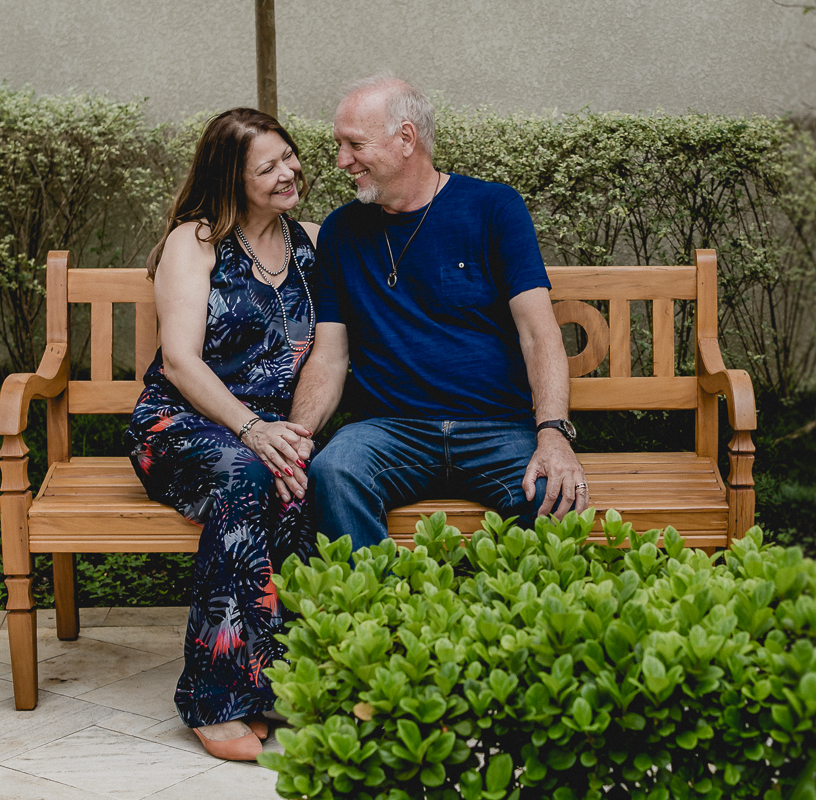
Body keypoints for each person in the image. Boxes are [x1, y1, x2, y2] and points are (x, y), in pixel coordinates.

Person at [277, 74, 587, 547]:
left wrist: (553, 434)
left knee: (551, 491)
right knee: (334, 470)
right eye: (338, 145)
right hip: (388, 432)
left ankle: (509, 618)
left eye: (354, 145)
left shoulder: (493, 208)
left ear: (406, 138)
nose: (342, 162)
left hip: (497, 429)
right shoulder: (342, 231)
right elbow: (329, 356)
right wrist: (300, 435)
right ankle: (368, 615)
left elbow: (539, 334)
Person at [125, 108, 319, 761]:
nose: (288, 171)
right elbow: (179, 361)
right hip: (180, 424)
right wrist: (255, 429)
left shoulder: (314, 244)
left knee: (295, 484)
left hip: (268, 437)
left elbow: (332, 354)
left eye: (289, 155)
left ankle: (278, 686)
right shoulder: (197, 241)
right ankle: (212, 699)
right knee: (245, 471)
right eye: (267, 167)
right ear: (231, 178)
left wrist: (290, 435)